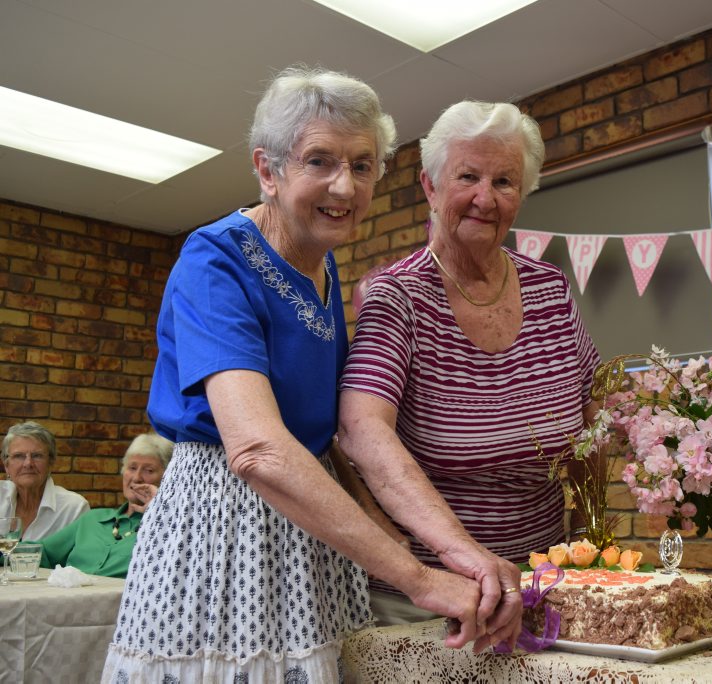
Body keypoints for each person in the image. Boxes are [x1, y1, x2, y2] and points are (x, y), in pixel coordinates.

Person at [103, 67, 521, 683]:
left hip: (309, 539)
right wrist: (420, 579)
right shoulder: (215, 257)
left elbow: (328, 432)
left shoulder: (321, 271)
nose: (344, 185)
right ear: (268, 171)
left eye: (362, 164)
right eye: (319, 161)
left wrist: (427, 544)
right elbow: (258, 448)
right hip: (226, 529)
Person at [338, 100, 603, 624]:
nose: (486, 197)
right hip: (428, 594)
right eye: (468, 177)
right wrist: (468, 560)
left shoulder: (550, 290)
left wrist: (592, 534)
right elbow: (361, 430)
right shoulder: (399, 298)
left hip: (540, 581)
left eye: (505, 182)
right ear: (431, 188)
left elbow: (592, 415)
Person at [37, 432, 172, 577]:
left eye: (149, 470)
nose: (137, 478)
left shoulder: (169, 527)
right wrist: (10, 546)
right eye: (132, 468)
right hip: (69, 597)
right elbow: (40, 552)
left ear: (168, 477)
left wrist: (161, 510)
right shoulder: (93, 519)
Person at [1, 421, 89, 539]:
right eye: (19, 456)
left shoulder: (74, 508)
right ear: (6, 466)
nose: (28, 463)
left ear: (50, 463)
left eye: (37, 455)